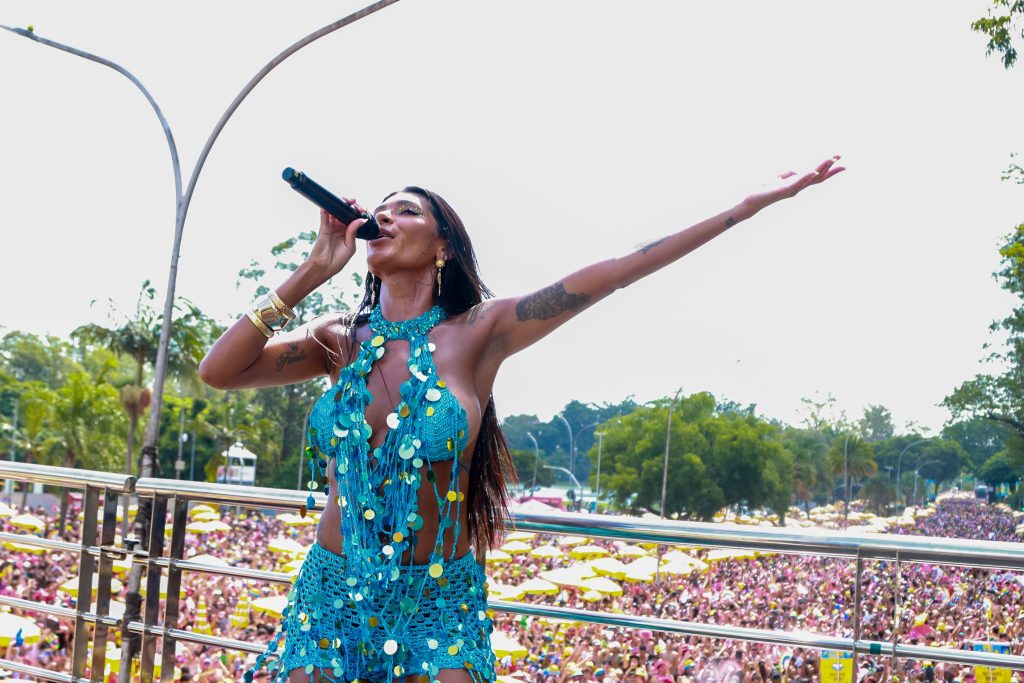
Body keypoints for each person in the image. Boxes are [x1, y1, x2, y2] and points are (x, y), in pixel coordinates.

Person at [198, 157, 845, 683]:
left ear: (443, 245)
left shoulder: (482, 330)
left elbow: (617, 272)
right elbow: (219, 371)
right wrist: (315, 268)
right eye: (382, 208)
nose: (386, 215)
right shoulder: (337, 339)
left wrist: (748, 205)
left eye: (408, 210)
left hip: (437, 601)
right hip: (332, 589)